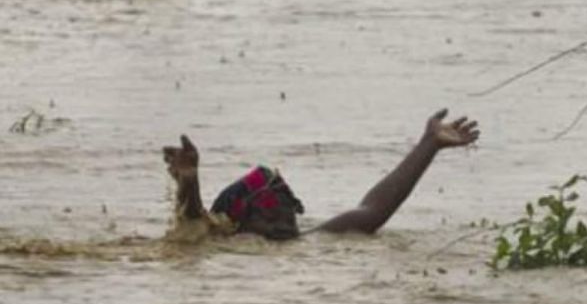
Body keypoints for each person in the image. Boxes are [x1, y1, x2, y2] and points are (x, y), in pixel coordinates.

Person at [162, 109, 479, 240]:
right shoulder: (225, 246)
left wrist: (429, 144)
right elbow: (193, 229)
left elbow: (375, 209)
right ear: (239, 225)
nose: (284, 222)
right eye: (270, 215)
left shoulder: (316, 241)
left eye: (288, 210)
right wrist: (189, 184)